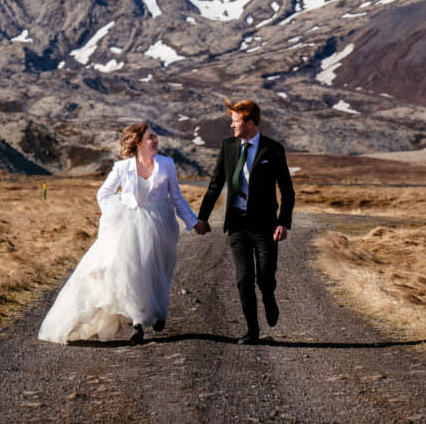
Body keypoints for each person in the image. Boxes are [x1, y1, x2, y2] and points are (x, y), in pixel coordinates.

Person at [38, 122, 203, 345]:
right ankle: (138, 323)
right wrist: (117, 212)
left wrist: (193, 222)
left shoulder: (166, 165)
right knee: (134, 272)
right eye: (151, 137)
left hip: (163, 224)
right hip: (132, 226)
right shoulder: (122, 168)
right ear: (138, 142)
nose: (156, 140)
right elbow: (103, 194)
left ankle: (159, 312)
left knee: (158, 271)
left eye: (155, 136)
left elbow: (177, 197)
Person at [195, 98, 294, 344]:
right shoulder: (228, 147)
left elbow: (287, 190)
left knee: (265, 276)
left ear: (249, 122)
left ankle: (269, 296)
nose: (232, 126)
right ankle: (252, 331)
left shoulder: (273, 149)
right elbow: (216, 184)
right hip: (237, 225)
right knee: (243, 279)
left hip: (265, 226)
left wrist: (284, 222)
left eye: (235, 121)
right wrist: (202, 218)